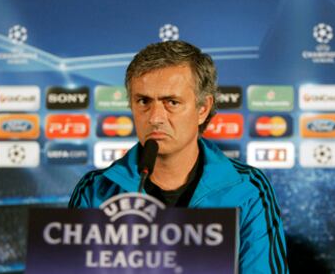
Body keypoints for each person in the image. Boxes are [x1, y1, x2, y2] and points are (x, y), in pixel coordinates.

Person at [69, 40, 288, 273]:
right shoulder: (95, 189)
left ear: (202, 109)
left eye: (172, 102)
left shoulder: (248, 189)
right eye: (143, 101)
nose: (155, 118)